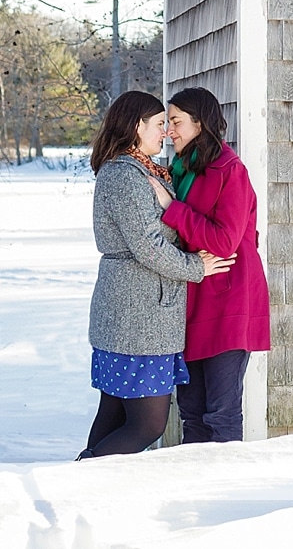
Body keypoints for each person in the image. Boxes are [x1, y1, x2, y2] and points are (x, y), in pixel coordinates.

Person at [79, 91, 234, 459]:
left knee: (115, 412)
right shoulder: (125, 176)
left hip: (139, 312)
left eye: (169, 123)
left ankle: (79, 486)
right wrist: (196, 267)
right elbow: (147, 246)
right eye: (159, 124)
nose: (165, 132)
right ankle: (79, 477)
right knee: (148, 424)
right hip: (137, 316)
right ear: (136, 127)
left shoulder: (141, 170)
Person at [148, 87, 271, 443]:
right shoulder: (180, 168)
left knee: (220, 411)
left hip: (227, 301)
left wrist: (172, 208)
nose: (170, 130)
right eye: (167, 122)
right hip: (192, 299)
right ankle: (195, 488)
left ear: (200, 123)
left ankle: (225, 490)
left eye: (176, 121)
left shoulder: (229, 170)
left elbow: (224, 242)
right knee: (191, 410)